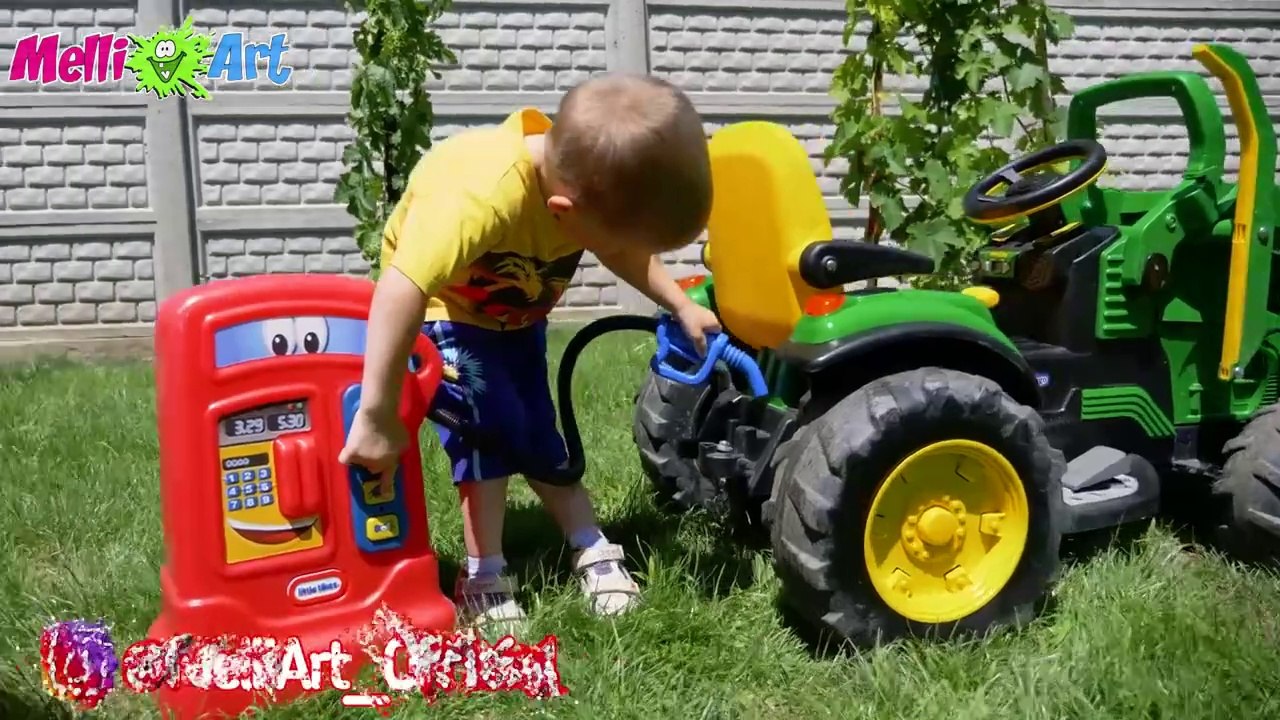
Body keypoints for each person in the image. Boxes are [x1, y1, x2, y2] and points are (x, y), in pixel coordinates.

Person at [337, 73, 722, 634]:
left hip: (516, 317)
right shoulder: (479, 196)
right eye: (611, 239)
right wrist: (377, 416)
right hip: (448, 308)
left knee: (536, 429)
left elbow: (622, 250)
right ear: (562, 210)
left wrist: (681, 304)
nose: (615, 250)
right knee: (487, 436)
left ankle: (588, 541)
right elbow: (403, 286)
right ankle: (484, 574)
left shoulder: (581, 185)